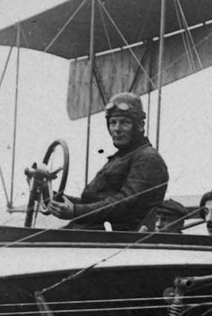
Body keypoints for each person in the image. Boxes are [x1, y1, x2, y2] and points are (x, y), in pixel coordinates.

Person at [46, 92, 168, 229]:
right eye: (112, 123)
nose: (117, 129)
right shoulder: (121, 158)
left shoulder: (148, 159)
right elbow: (92, 202)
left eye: (124, 123)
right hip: (95, 234)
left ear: (140, 125)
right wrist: (48, 193)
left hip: (114, 240)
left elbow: (125, 203)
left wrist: (75, 211)